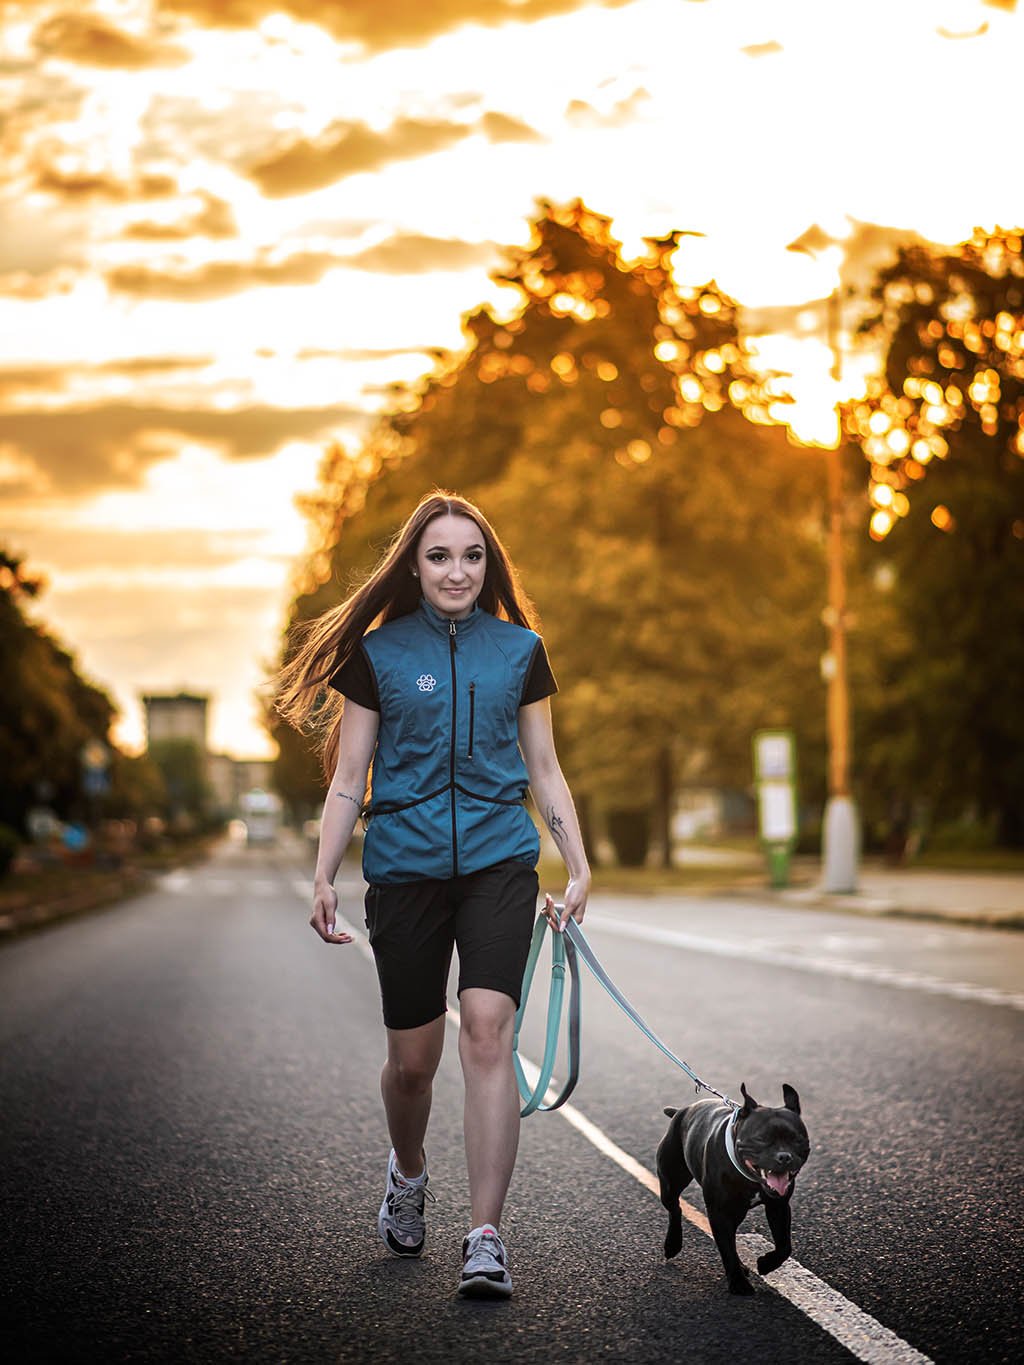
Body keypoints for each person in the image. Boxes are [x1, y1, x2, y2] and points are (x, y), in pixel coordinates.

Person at [276, 490, 590, 1298]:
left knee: (487, 1031)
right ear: (414, 566)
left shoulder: (521, 650)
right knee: (412, 1065)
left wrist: (576, 860)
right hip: (406, 871)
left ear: (489, 566)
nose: (458, 570)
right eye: (441, 555)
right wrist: (324, 874)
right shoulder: (378, 656)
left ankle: (485, 1236)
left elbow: (545, 767)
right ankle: (408, 1169)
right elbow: (350, 778)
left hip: (498, 865)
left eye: (472, 555)